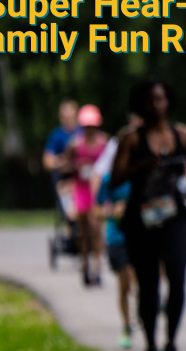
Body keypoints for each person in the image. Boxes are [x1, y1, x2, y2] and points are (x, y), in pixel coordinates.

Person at [110, 79, 186, 351]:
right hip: (142, 219)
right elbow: (115, 179)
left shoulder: (183, 136)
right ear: (140, 104)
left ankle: (171, 339)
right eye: (150, 100)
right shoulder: (131, 139)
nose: (157, 105)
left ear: (169, 101)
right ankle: (150, 341)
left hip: (176, 217)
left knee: (177, 276)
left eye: (161, 99)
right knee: (147, 285)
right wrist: (141, 166)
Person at [94, 113, 143, 349]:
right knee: (126, 284)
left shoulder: (143, 177)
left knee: (138, 283)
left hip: (141, 236)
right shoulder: (110, 179)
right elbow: (97, 209)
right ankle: (126, 326)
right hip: (117, 236)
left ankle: (143, 313)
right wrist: (112, 211)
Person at [64, 105, 110, 287]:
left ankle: (97, 266)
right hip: (81, 189)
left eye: (93, 126)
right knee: (83, 230)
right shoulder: (75, 145)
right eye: (87, 127)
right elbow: (65, 168)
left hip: (97, 190)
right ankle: (85, 264)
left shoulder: (104, 143)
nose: (90, 130)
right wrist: (77, 165)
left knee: (97, 228)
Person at [46, 100, 80, 229]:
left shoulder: (83, 132)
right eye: (65, 117)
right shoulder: (56, 135)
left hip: (82, 176)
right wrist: (63, 161)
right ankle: (71, 220)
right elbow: (47, 161)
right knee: (64, 188)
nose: (68, 119)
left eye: (71, 116)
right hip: (65, 177)